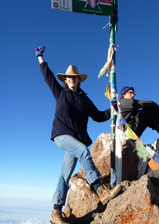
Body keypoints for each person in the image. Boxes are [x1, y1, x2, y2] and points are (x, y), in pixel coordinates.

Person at [35, 46, 121, 224]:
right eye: (69, 77)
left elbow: (98, 116)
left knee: (64, 175)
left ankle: (56, 212)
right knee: (83, 151)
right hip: (61, 135)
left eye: (74, 77)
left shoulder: (85, 100)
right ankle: (100, 189)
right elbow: (47, 75)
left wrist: (113, 109)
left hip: (76, 139)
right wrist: (40, 57)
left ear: (78, 80)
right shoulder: (60, 93)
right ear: (65, 80)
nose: (72, 79)